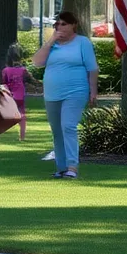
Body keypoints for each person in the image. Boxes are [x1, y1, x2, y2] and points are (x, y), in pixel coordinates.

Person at [33, 11, 98, 180]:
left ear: (73, 25)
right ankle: (61, 168)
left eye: (64, 24)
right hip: (52, 94)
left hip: (75, 92)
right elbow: (37, 62)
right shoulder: (52, 45)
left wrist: (93, 91)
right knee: (57, 130)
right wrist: (51, 40)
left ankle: (72, 166)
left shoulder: (82, 43)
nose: (60, 27)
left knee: (68, 126)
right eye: (57, 24)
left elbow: (92, 68)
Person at [2, 43, 38, 142]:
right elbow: (31, 80)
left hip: (10, 96)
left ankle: (5, 133)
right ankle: (22, 136)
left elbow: (4, 83)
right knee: (22, 115)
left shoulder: (6, 70)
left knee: (8, 114)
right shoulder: (23, 70)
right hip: (20, 96)